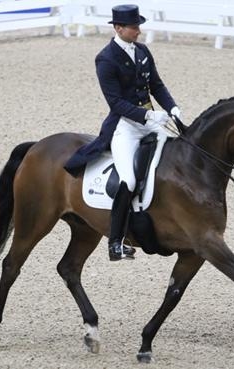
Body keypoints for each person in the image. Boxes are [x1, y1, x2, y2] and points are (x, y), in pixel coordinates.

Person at [64, 4, 181, 261]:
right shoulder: (106, 59)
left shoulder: (142, 51)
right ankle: (116, 242)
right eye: (134, 27)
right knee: (128, 179)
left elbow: (156, 85)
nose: (139, 31)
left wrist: (172, 108)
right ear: (118, 28)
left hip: (151, 124)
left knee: (176, 158)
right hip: (124, 127)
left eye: (138, 26)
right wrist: (149, 115)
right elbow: (115, 102)